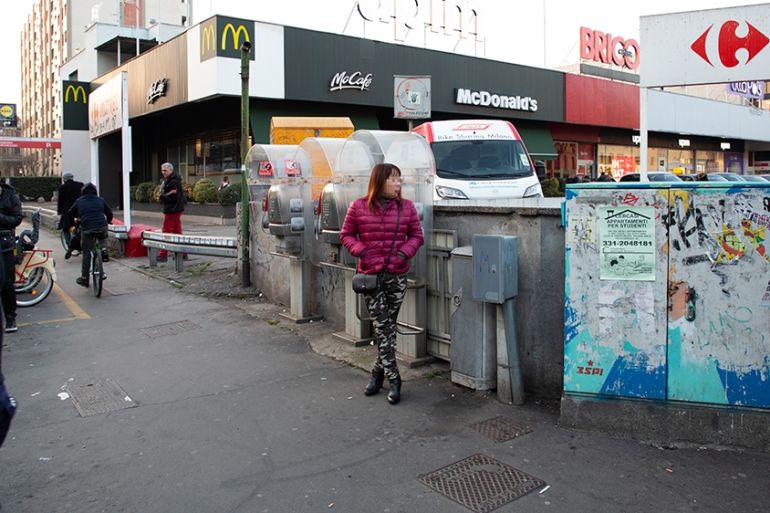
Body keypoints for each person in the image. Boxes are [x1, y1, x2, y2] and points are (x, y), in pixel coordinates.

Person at [340, 163, 424, 405]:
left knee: (386, 328)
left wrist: (402, 254)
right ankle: (395, 379)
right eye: (394, 179)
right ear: (380, 181)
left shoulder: (407, 207)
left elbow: (417, 236)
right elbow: (346, 235)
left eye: (400, 179)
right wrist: (364, 252)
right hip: (371, 276)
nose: (399, 183)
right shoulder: (358, 206)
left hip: (397, 276)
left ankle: (377, 374)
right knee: (384, 327)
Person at [68, 183, 113, 288]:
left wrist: (74, 222)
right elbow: (109, 213)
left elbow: (70, 213)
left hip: (87, 228)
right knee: (102, 236)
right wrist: (108, 221)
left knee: (86, 253)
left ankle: (84, 278)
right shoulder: (101, 200)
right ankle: (104, 250)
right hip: (101, 225)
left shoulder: (79, 201)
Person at [0, 178, 22, 333]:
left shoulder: (10, 195)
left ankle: (10, 318)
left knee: (7, 283)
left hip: (5, 244)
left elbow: (17, 218)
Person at [158, 162, 185, 263]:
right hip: (176, 209)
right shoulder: (173, 180)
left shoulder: (172, 182)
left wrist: (162, 197)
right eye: (162, 170)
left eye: (165, 170)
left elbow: (173, 197)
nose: (163, 172)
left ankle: (163, 254)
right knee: (177, 231)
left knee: (166, 230)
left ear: (170, 170)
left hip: (172, 209)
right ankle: (183, 253)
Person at [57, 172, 83, 252]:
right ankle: (81, 244)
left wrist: (59, 211)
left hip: (68, 211)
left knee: (65, 228)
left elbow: (60, 201)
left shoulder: (63, 187)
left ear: (64, 179)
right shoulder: (80, 185)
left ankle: (70, 246)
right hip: (79, 210)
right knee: (80, 227)